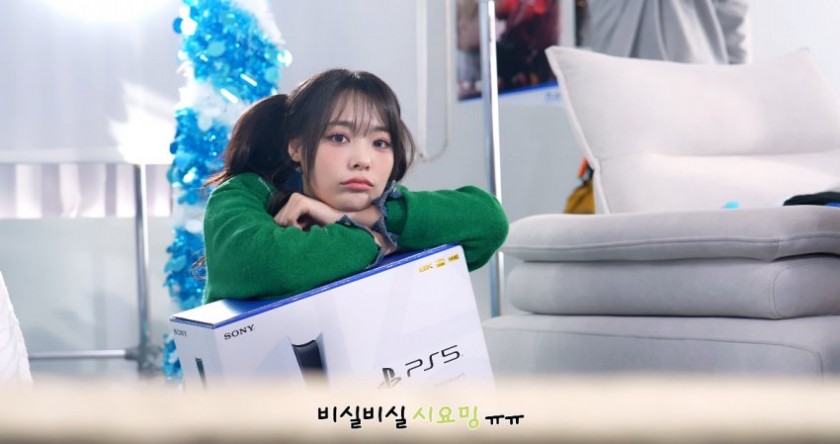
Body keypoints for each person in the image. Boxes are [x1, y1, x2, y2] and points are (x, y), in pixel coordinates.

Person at [201, 69, 508, 305]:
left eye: (380, 142)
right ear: (297, 148)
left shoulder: (386, 207)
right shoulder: (244, 194)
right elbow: (270, 266)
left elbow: (488, 222)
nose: (362, 160)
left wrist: (362, 218)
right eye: (339, 137)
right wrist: (373, 242)